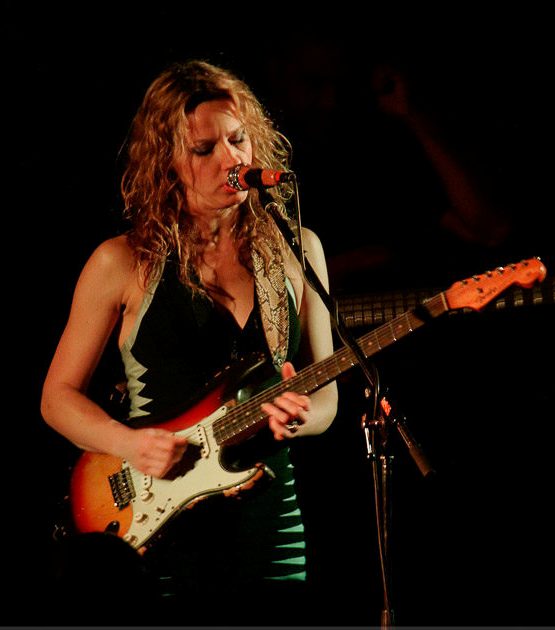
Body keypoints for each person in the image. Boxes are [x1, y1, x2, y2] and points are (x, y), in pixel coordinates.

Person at [40, 58, 338, 627]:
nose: (232, 159)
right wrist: (127, 444)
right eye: (204, 149)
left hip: (271, 522)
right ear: (166, 162)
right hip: (161, 523)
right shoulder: (121, 261)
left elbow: (326, 395)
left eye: (238, 139)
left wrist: (300, 416)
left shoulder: (296, 249)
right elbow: (56, 398)